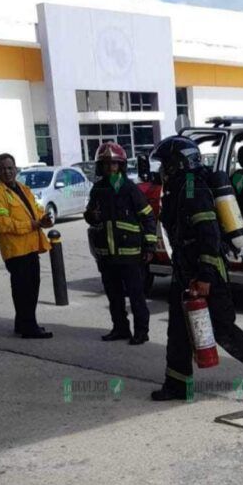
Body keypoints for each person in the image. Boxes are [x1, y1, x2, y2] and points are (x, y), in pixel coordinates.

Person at [150, 136, 243, 401]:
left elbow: (208, 234)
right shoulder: (179, 187)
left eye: (166, 163)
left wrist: (205, 275)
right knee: (178, 331)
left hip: (206, 271)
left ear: (178, 163)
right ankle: (177, 385)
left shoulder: (193, 188)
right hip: (185, 269)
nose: (163, 169)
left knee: (221, 328)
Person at [85, 142, 157, 345]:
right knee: (114, 296)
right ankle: (120, 329)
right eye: (106, 164)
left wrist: (150, 246)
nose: (110, 168)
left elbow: (148, 218)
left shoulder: (129, 188)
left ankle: (141, 332)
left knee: (136, 296)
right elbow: (91, 216)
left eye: (114, 164)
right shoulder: (97, 189)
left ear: (121, 165)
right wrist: (91, 215)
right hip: (106, 254)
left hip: (130, 255)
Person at [0, 152, 54, 339]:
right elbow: (2, 223)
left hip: (30, 247)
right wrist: (31, 225)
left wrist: (44, 219)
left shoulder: (23, 189)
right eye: (2, 169)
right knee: (24, 290)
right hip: (16, 251)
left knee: (31, 288)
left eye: (10, 168)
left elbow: (37, 210)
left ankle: (22, 323)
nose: (7, 172)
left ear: (16, 169)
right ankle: (29, 328)